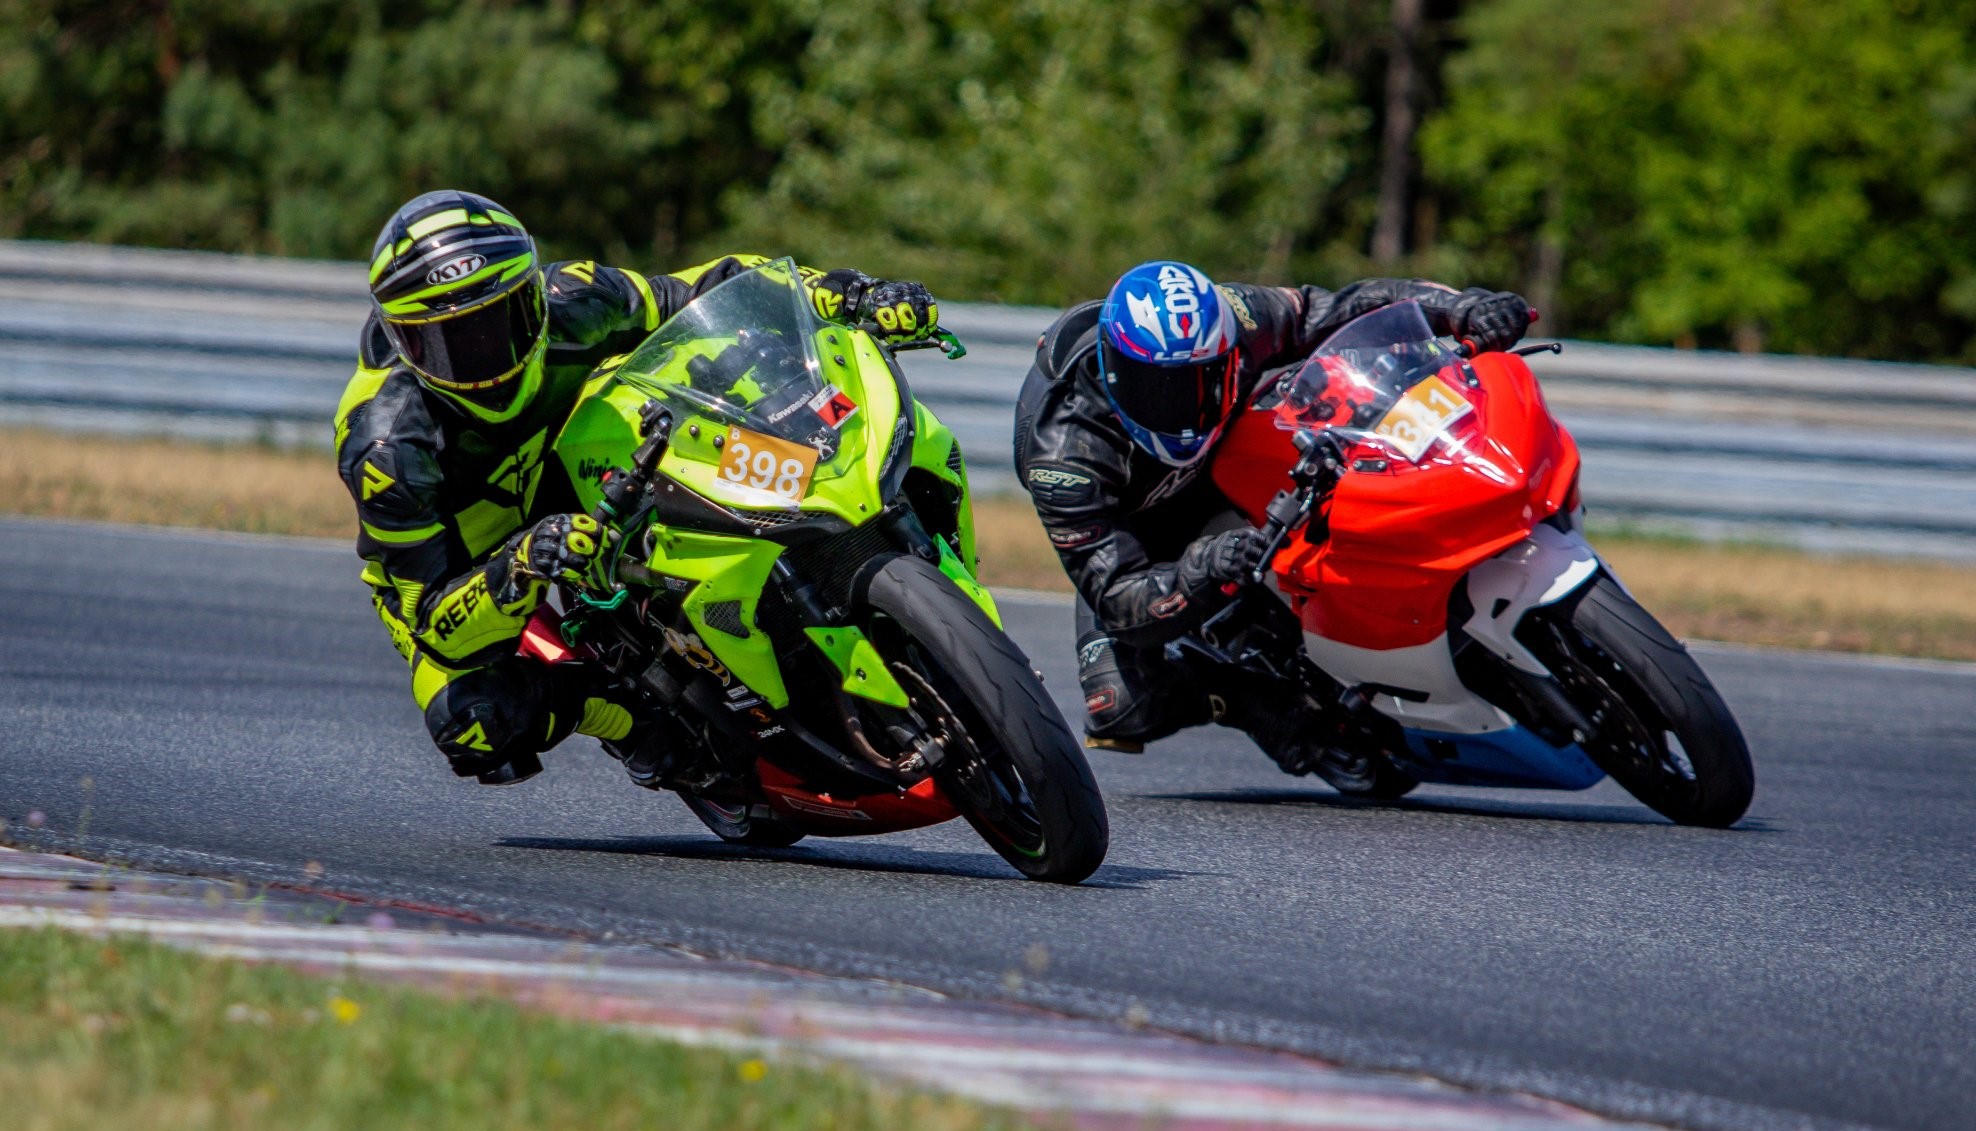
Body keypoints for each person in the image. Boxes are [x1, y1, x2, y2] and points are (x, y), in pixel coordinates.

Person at [335, 189, 940, 788]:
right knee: (474, 720)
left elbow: (707, 287)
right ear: (405, 342)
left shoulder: (576, 297)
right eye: (451, 344)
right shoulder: (385, 449)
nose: (485, 358)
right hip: (471, 562)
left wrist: (840, 290)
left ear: (534, 294)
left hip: (580, 462)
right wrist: (520, 563)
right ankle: (624, 720)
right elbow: (435, 625)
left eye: (501, 322)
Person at [1012, 260, 1531, 788]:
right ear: (1113, 372)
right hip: (1143, 530)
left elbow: (1343, 305)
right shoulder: (1063, 459)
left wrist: (1460, 307)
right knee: (1120, 707)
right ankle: (1244, 698)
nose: (1181, 407)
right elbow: (1117, 596)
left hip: (1246, 448)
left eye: (1202, 379)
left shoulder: (1238, 317)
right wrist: (1198, 569)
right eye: (1157, 389)